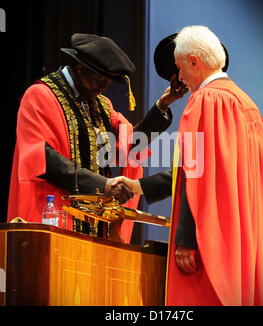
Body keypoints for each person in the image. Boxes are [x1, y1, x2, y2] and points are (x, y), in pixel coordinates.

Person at [112, 26, 263, 305]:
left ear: (194, 61)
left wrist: (187, 239)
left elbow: (196, 172)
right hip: (243, 241)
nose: (179, 78)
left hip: (210, 243)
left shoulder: (205, 100)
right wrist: (139, 186)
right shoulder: (249, 107)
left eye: (180, 68)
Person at [7, 33, 186, 243]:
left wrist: (163, 105)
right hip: (52, 212)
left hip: (92, 220)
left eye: (108, 82)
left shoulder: (101, 104)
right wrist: (104, 183)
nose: (104, 88)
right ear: (80, 68)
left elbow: (131, 145)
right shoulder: (40, 95)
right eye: (100, 80)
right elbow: (44, 159)